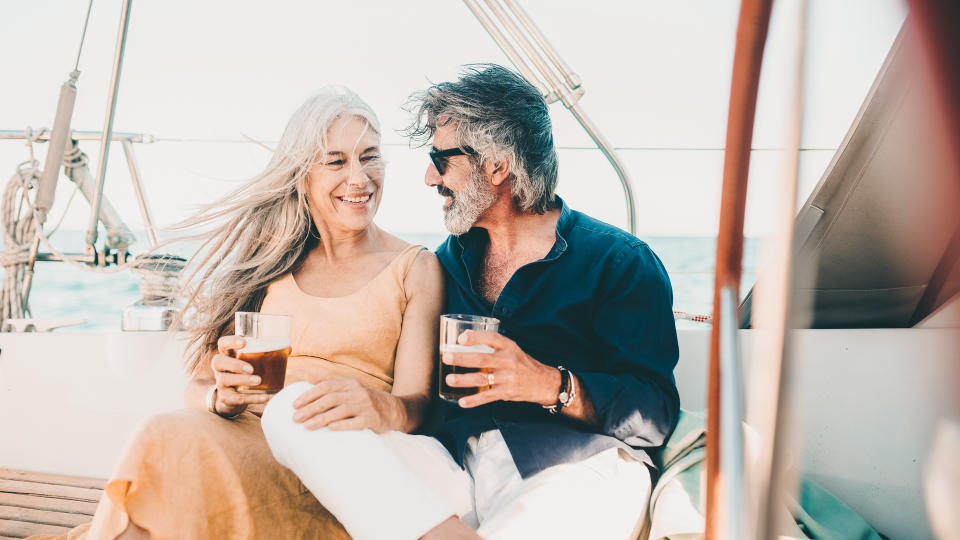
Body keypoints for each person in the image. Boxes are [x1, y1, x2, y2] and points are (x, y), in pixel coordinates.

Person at [263, 64, 680, 539]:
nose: (427, 177)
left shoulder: (618, 262)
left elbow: (656, 413)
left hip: (576, 466)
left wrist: (546, 383)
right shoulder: (444, 265)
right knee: (294, 412)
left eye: (441, 160)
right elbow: (409, 392)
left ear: (497, 167)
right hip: (457, 469)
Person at [47, 87, 445, 540]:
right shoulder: (269, 260)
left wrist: (381, 407)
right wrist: (221, 398)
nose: (359, 178)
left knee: (164, 467)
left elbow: (420, 409)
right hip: (248, 434)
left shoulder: (415, 267)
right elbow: (199, 384)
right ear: (302, 175)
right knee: (165, 445)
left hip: (339, 457)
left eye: (370, 157)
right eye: (336, 161)